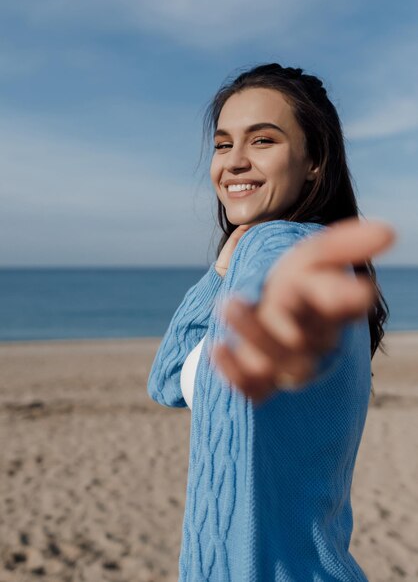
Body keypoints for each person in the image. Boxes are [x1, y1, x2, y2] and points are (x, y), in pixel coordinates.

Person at [147, 63, 395, 581]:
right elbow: (167, 382)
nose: (234, 162)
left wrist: (270, 302)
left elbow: (273, 281)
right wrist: (219, 273)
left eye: (262, 140)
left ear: (313, 162)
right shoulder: (277, 254)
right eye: (222, 144)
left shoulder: (279, 244)